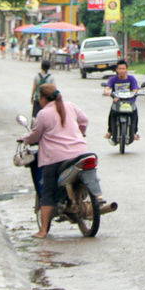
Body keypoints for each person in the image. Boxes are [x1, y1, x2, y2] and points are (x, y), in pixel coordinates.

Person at [22, 83, 102, 239]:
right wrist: (81, 133)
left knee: (48, 192)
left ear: (43, 99)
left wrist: (24, 139)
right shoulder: (70, 106)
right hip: (80, 152)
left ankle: (43, 230)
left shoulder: (43, 114)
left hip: (55, 158)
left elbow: (35, 135)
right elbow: (84, 120)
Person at [103, 60, 140, 143]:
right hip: (117, 102)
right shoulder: (113, 79)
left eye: (123, 68)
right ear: (116, 70)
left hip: (129, 102)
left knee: (135, 114)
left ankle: (134, 133)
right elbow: (107, 88)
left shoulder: (131, 79)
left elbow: (135, 89)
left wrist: (135, 93)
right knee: (112, 114)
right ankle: (110, 131)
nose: (122, 70)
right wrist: (107, 92)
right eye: (120, 68)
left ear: (127, 69)